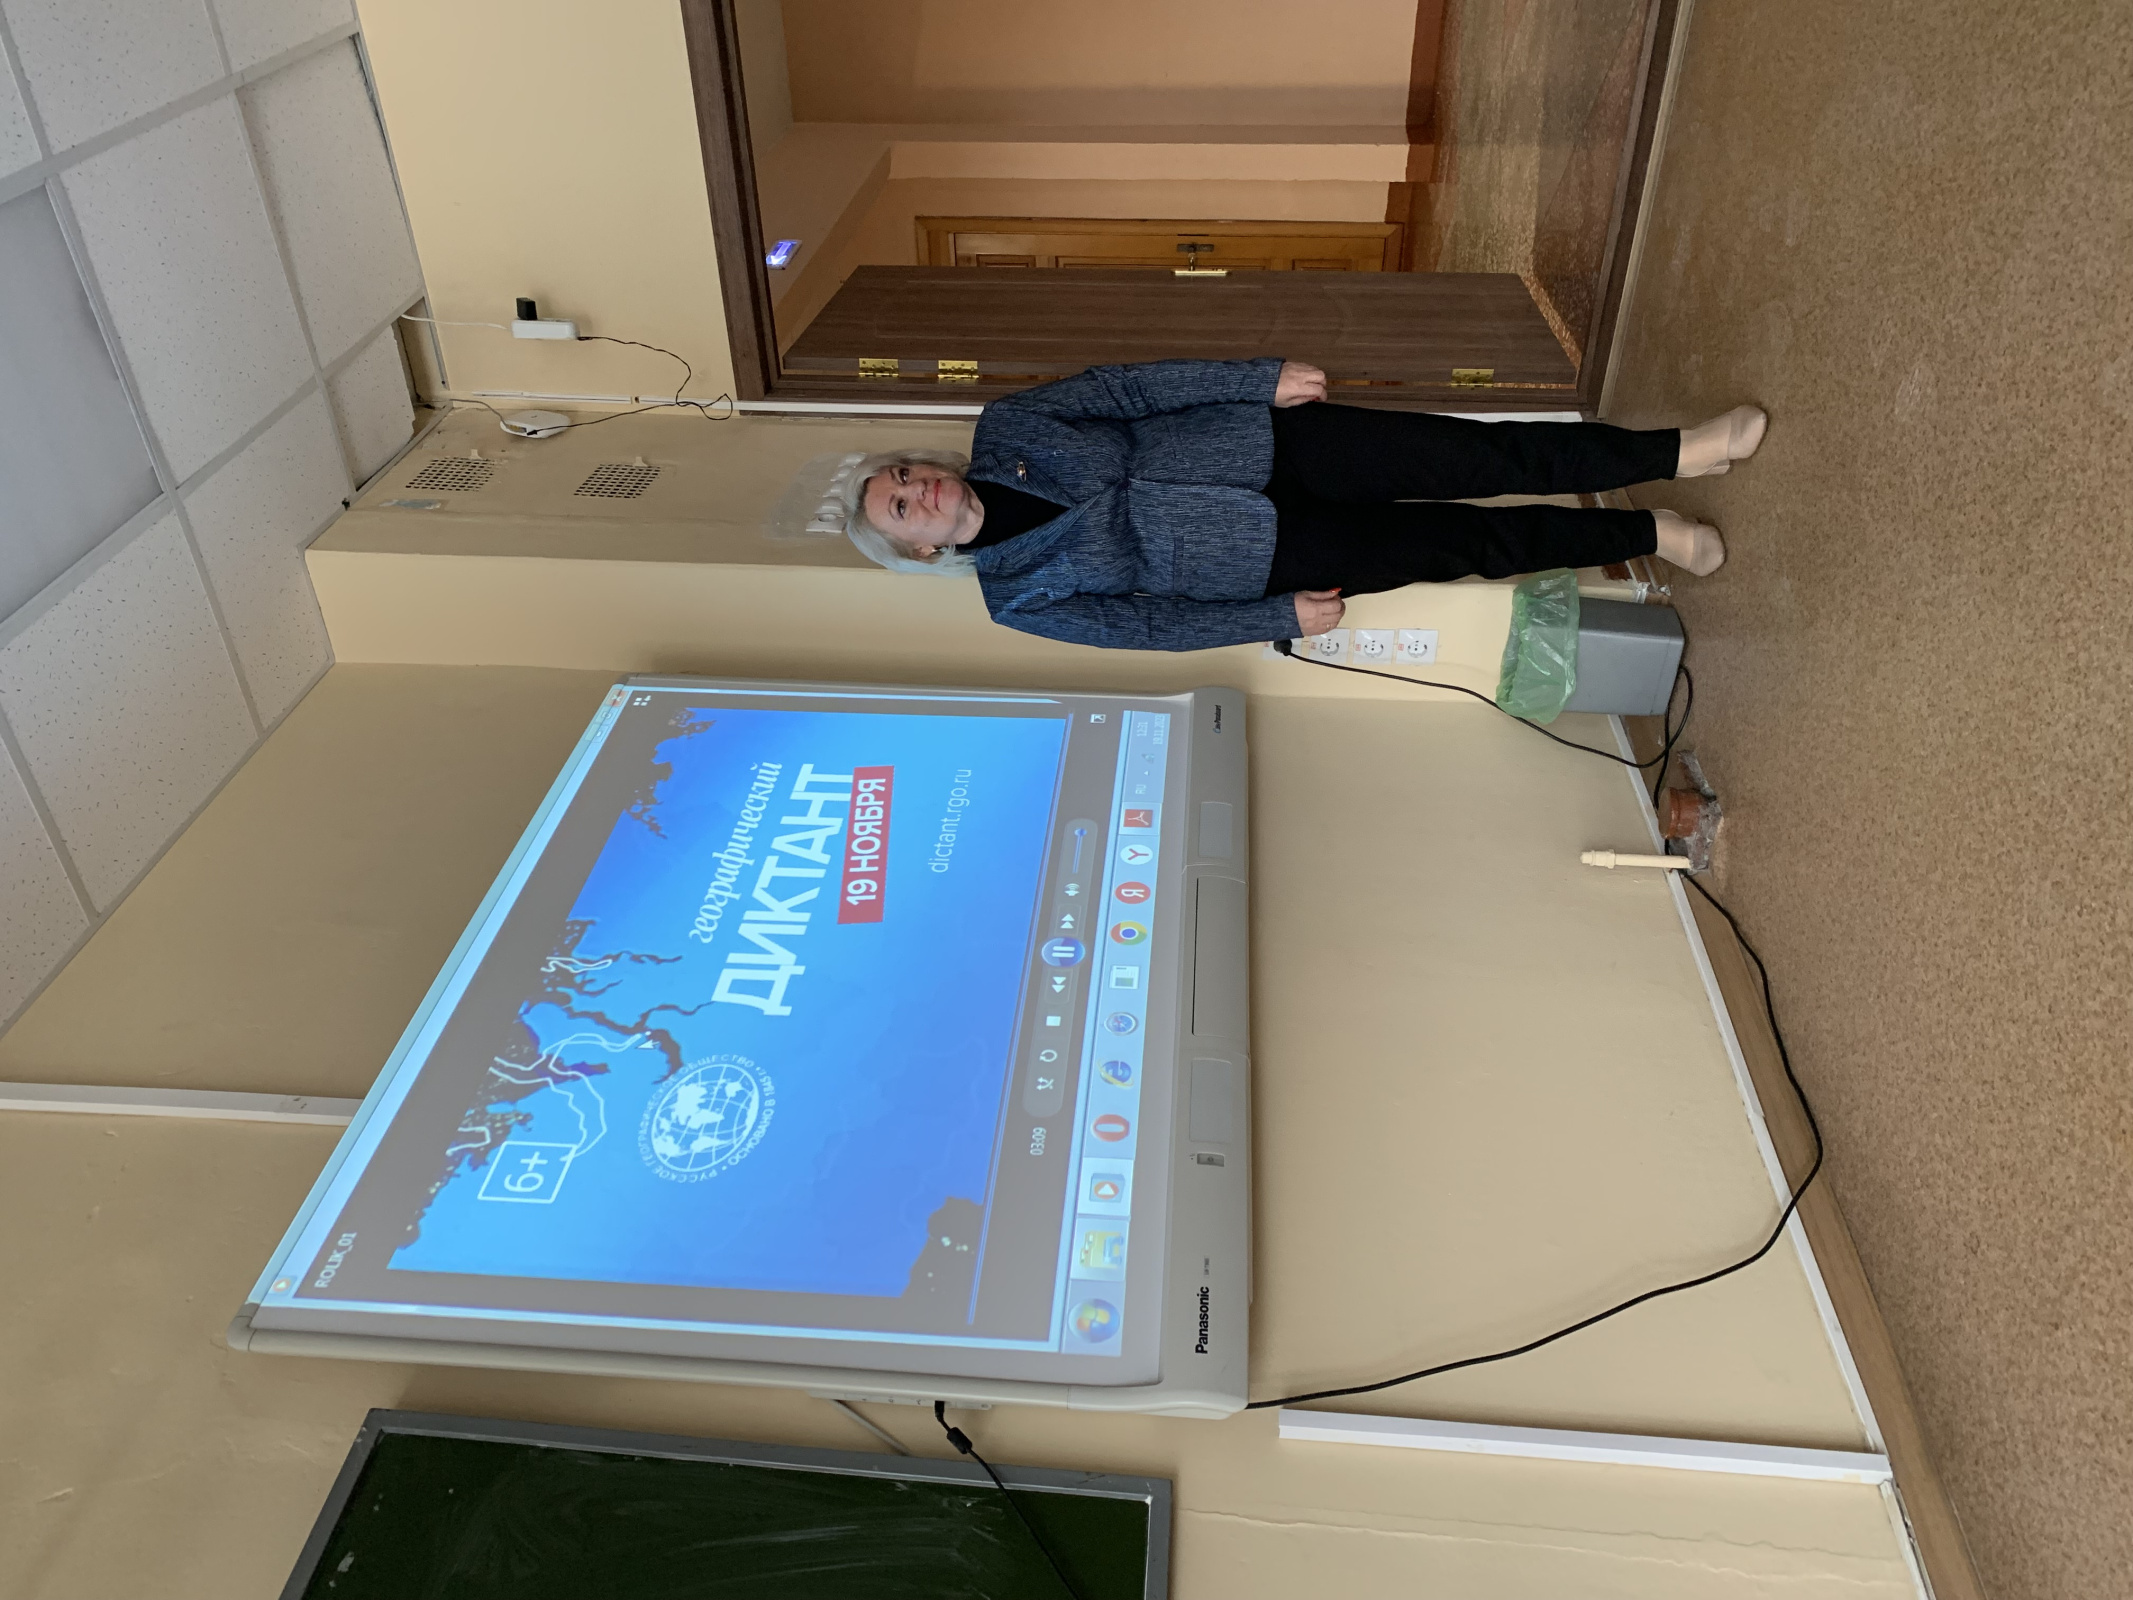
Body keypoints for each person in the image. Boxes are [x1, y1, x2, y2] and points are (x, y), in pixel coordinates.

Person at [832, 357, 1764, 652]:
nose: (918, 492)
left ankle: (1677, 450)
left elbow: (1127, 390)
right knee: (1467, 542)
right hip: (1266, 558)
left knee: (1479, 454)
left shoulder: (1008, 425)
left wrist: (1254, 379)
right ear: (918, 551)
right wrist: (1274, 617)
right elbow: (1150, 627)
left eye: (904, 477)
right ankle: (1649, 532)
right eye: (901, 510)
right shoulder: (1017, 598)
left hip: (1266, 443)